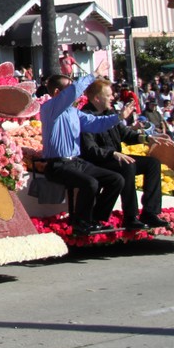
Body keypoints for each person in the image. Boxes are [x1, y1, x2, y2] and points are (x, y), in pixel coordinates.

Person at [38, 71, 133, 236]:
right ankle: (81, 223)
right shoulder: (49, 108)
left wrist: (119, 117)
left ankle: (95, 219)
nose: (75, 91)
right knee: (90, 183)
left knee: (116, 180)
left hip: (75, 162)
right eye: (69, 88)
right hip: (57, 165)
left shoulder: (73, 112)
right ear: (57, 93)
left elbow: (96, 123)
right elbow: (75, 90)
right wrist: (93, 75)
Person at [79, 78, 170, 231]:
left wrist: (145, 138)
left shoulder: (110, 113)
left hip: (116, 158)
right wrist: (113, 153)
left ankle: (150, 212)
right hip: (99, 161)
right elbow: (90, 149)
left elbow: (125, 134)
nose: (112, 98)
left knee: (152, 164)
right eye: (109, 95)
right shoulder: (86, 116)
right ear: (97, 98)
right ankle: (130, 216)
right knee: (128, 166)